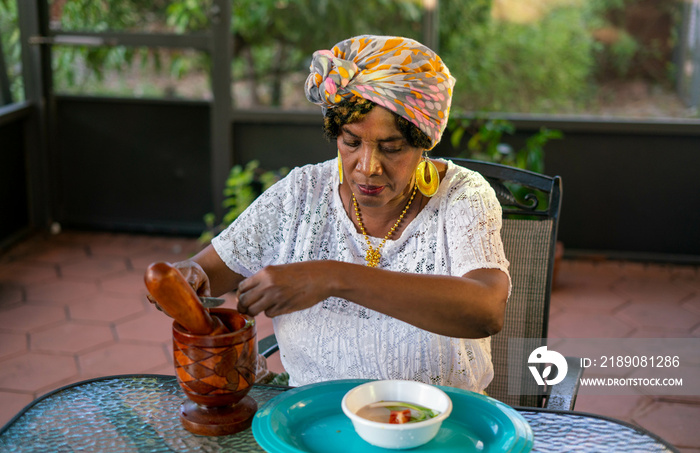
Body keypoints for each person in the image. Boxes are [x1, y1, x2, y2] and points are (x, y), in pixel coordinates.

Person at [150, 35, 510, 393]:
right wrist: (188, 279)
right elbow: (208, 273)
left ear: (423, 144)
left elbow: (486, 309)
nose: (367, 167)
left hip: (434, 426)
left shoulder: (463, 196)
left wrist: (331, 278)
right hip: (313, 425)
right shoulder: (301, 194)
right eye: (351, 142)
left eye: (392, 148)